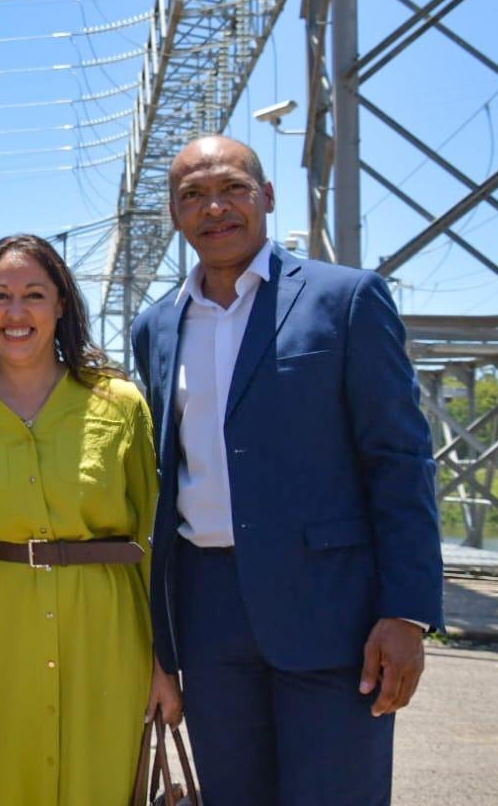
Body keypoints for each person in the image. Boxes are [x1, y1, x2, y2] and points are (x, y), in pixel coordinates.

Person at [131, 134, 443, 805]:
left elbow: (399, 460)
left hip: (333, 614)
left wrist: (407, 612)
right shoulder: (155, 326)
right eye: (192, 195)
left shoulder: (346, 300)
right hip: (208, 616)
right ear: (174, 214)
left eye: (232, 188)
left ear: (267, 197)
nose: (214, 207)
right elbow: (161, 481)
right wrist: (162, 639)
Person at [0, 234, 165, 805]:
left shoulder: (120, 404)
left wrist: (164, 661)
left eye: (34, 294)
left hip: (108, 634)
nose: (16, 312)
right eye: (0, 296)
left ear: (61, 305)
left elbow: (154, 540)